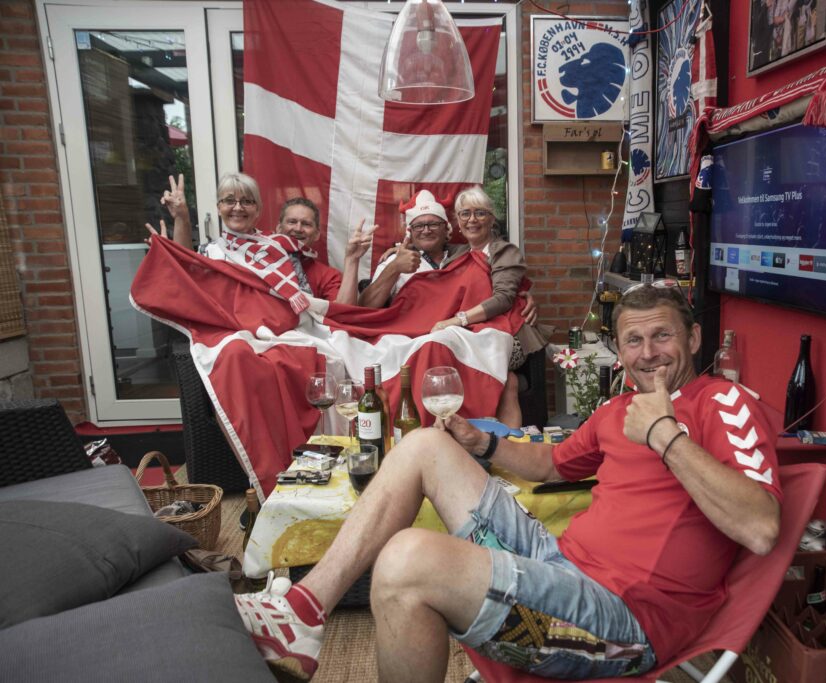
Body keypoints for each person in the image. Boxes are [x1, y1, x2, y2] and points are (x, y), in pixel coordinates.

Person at [232, 282, 782, 682]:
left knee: (406, 563)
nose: (648, 353)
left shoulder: (722, 402)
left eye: (663, 335)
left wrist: (664, 434)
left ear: (694, 337)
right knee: (424, 445)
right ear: (619, 351)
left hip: (625, 618)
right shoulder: (618, 410)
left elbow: (760, 527)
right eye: (633, 341)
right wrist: (483, 444)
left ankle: (305, 616)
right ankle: (304, 611)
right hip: (558, 563)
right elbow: (553, 464)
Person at [359, 188, 545, 425]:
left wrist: (522, 296)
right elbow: (367, 308)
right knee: (439, 348)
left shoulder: (488, 252)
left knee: (498, 375)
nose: (472, 220)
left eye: (480, 213)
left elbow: (503, 295)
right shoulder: (453, 253)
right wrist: (395, 263)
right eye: (465, 214)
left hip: (489, 330)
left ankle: (489, 440)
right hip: (441, 333)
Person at [149, 173, 372, 305]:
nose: (238, 208)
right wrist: (181, 218)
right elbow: (186, 274)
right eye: (229, 201)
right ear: (219, 208)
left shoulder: (277, 249)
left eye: (246, 201)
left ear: (258, 210)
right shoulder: (211, 251)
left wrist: (352, 259)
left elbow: (336, 312)